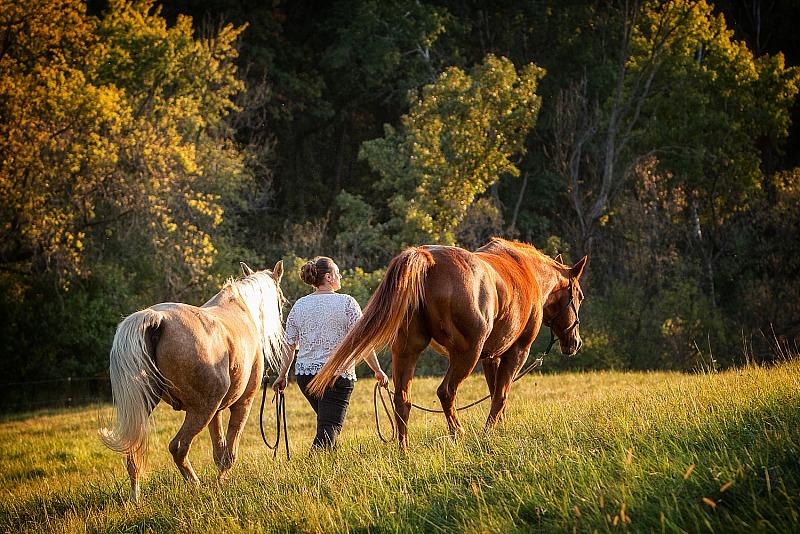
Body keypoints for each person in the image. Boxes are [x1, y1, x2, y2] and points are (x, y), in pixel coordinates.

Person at [272, 256, 389, 450]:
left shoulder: (299, 306)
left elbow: (289, 345)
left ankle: (331, 469)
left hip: (305, 377)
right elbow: (363, 342)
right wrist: (377, 370)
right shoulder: (347, 303)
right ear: (328, 277)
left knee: (327, 425)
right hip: (337, 377)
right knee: (329, 428)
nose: (340, 276)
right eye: (337, 272)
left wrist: (282, 375)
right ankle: (309, 472)